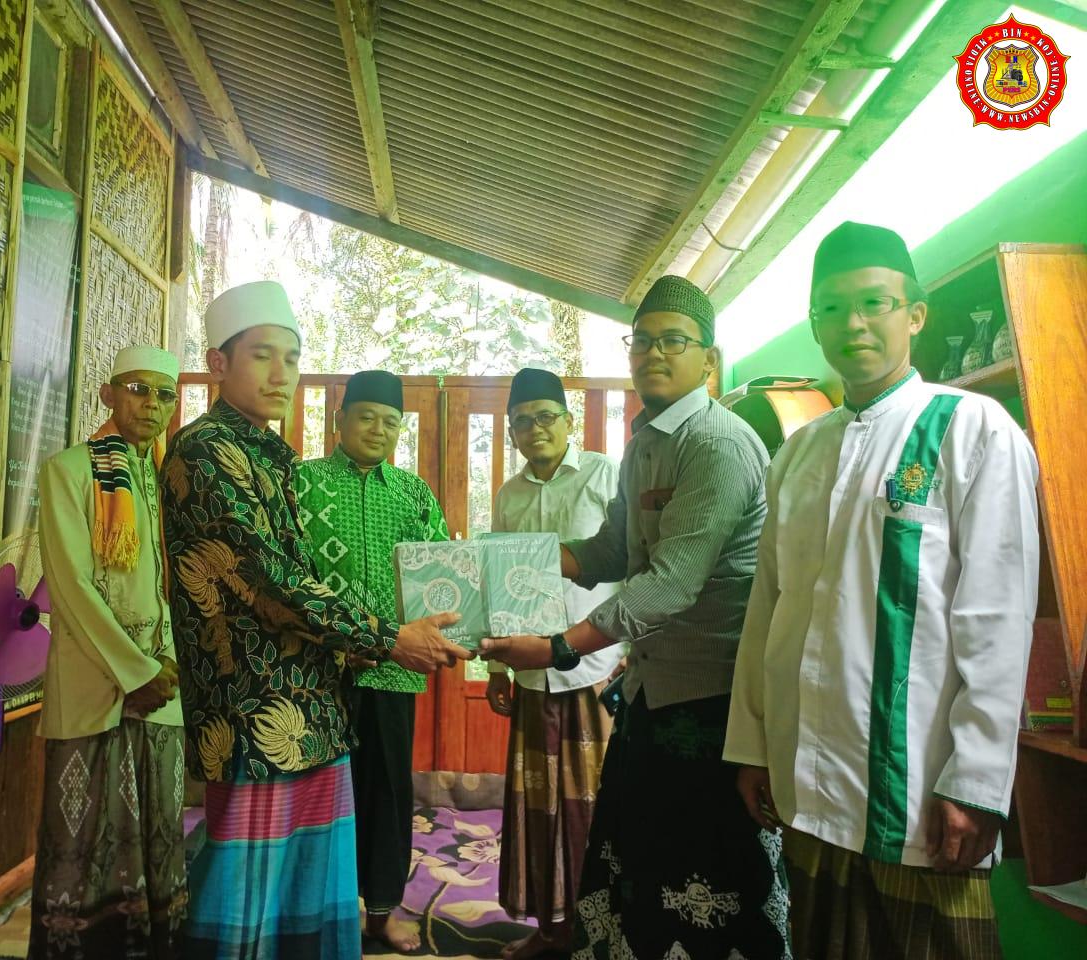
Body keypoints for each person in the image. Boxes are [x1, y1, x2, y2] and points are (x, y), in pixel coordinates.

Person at [725, 221, 1039, 959]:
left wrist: (976, 783)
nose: (853, 324)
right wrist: (754, 745)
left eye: (874, 303)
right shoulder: (798, 452)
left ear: (915, 314)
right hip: (809, 775)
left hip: (924, 792)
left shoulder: (971, 429)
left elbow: (998, 617)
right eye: (831, 310)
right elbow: (766, 610)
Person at [161, 280, 471, 960]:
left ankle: (381, 906)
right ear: (219, 364)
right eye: (262, 356)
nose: (281, 374)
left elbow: (445, 566)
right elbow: (274, 583)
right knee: (245, 910)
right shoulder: (207, 452)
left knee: (304, 902)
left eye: (292, 357)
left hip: (311, 713)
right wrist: (389, 637)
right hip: (255, 718)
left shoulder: (271, 458)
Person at [482, 276, 790, 959]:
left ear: (708, 359)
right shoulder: (645, 441)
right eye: (642, 340)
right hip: (653, 686)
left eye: (672, 341)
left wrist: (560, 647)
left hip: (713, 699)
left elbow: (672, 582)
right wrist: (508, 562)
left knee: (706, 875)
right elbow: (613, 549)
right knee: (634, 858)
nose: (653, 352)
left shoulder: (717, 444)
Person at [30, 345, 186, 959]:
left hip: (162, 689)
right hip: (98, 685)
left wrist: (168, 664)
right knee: (84, 847)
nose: (151, 405)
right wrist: (135, 671)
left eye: (164, 394)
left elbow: (177, 583)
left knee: (159, 838)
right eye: (137, 389)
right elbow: (70, 586)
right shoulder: (68, 470)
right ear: (109, 395)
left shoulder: (169, 481)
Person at [295, 369, 448, 953]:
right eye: (367, 417)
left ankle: (382, 908)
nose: (379, 430)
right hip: (315, 670)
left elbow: (440, 578)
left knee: (386, 789)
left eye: (391, 422)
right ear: (340, 419)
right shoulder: (301, 483)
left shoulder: (413, 494)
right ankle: (318, 904)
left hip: (393, 668)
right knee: (318, 787)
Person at [484, 367, 623, 959]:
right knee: (540, 806)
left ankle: (600, 932)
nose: (534, 428)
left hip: (595, 673)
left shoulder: (602, 475)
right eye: (522, 420)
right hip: (533, 675)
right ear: (511, 431)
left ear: (568, 422)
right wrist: (494, 666)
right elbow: (494, 579)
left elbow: (633, 566)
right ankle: (551, 930)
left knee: (594, 807)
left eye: (546, 416)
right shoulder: (509, 495)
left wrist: (631, 655)